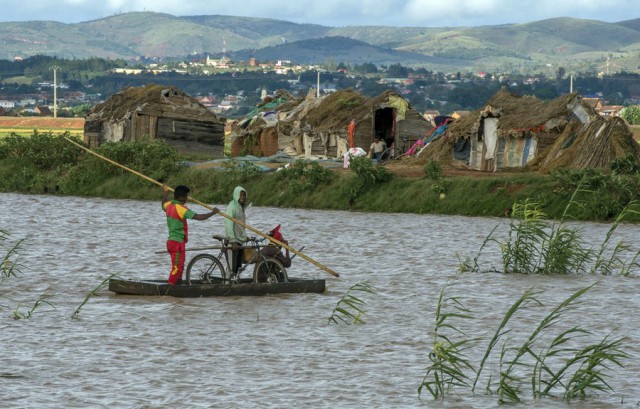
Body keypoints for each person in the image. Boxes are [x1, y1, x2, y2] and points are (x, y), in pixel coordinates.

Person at [162, 184, 219, 285]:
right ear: (181, 197)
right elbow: (198, 217)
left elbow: (163, 204)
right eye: (186, 196)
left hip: (172, 242)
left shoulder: (169, 205)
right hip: (177, 243)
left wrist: (165, 193)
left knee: (179, 266)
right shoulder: (181, 209)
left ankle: (178, 285)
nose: (187, 198)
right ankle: (170, 287)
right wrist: (212, 213)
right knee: (177, 268)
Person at [224, 186, 248, 278]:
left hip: (240, 241)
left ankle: (234, 283)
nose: (242, 197)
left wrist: (245, 237)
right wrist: (233, 240)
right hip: (233, 241)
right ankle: (227, 283)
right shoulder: (232, 207)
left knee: (238, 267)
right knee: (231, 267)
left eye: (244, 195)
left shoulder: (241, 208)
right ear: (236, 195)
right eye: (240, 195)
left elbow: (240, 226)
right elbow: (228, 224)